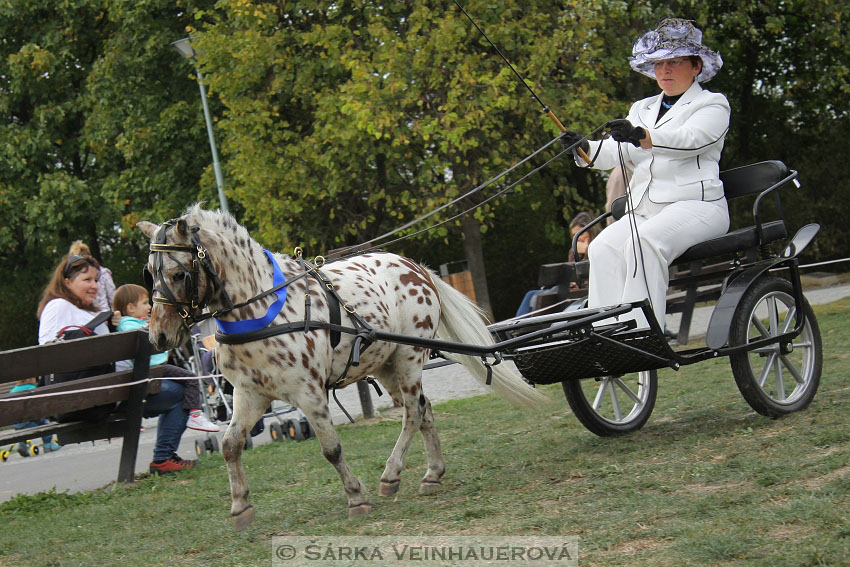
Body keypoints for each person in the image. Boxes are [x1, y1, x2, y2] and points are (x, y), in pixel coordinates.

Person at [562, 18, 730, 328]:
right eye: (659, 63)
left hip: (698, 208)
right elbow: (619, 151)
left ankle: (643, 327)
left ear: (695, 66)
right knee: (602, 246)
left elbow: (691, 141)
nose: (665, 70)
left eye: (675, 62)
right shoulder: (642, 108)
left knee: (645, 243)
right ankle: (606, 329)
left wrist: (641, 136)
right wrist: (584, 148)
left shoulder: (712, 104)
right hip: (645, 211)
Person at [37, 253, 196, 474]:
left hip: (108, 395)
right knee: (179, 393)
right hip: (87, 399)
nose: (94, 286)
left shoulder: (94, 314)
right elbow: (46, 352)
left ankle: (164, 459)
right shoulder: (58, 306)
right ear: (66, 282)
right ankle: (163, 459)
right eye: (86, 280)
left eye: (95, 280)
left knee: (176, 388)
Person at [113, 284, 219, 433]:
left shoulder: (134, 323)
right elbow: (139, 336)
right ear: (131, 308)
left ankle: (194, 414)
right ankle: (195, 414)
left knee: (187, 379)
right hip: (154, 369)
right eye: (144, 303)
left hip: (154, 368)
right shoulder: (128, 325)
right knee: (191, 378)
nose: (149, 306)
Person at [515, 211, 601, 316]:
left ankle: (519, 326)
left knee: (534, 296)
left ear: (591, 231)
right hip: (571, 292)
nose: (577, 238)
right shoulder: (573, 251)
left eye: (581, 233)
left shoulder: (600, 246)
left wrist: (588, 250)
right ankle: (518, 326)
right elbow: (572, 275)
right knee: (531, 295)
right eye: (574, 235)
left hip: (588, 294)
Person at [10, 378, 61, 454]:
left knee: (23, 429)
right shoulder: (33, 389)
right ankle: (48, 445)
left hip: (17, 425)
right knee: (45, 424)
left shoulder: (12, 391)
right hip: (31, 422)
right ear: (30, 380)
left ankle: (23, 445)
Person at [69, 240, 115, 311]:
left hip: (103, 316)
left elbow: (113, 299)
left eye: (96, 280)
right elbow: (113, 297)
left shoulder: (103, 273)